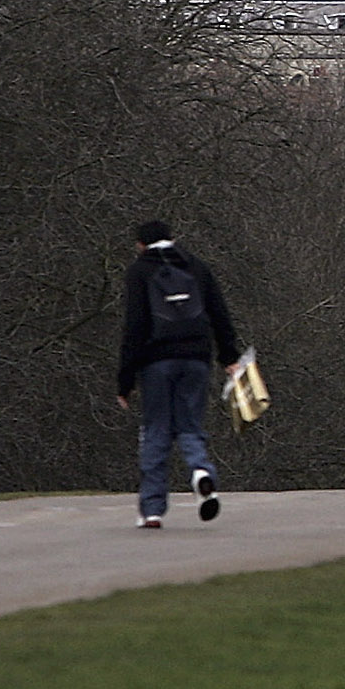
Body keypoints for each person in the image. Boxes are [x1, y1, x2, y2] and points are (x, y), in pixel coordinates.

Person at [114, 220, 243, 529]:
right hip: (196, 359)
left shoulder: (139, 271)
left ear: (140, 245)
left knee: (157, 429)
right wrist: (229, 356)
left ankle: (152, 510)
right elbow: (218, 312)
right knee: (189, 425)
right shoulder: (196, 266)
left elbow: (135, 326)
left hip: (156, 362)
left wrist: (125, 380)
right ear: (173, 238)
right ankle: (201, 473)